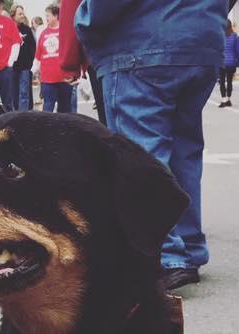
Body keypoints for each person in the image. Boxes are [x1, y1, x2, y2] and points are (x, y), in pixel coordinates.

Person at [75, 0, 226, 291]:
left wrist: (85, 22)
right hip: (201, 38)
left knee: (139, 153)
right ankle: (188, 245)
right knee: (185, 151)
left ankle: (164, 254)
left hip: (141, 41)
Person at [36, 4, 72, 113]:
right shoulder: (43, 34)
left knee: (65, 108)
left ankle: (65, 129)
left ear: (56, 16)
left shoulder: (65, 32)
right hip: (47, 79)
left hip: (64, 78)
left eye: (48, 16)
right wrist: (36, 71)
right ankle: (47, 130)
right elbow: (38, 56)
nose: (46, 18)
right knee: (48, 108)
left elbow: (71, 51)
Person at [12, 6, 36, 110]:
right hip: (12, 67)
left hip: (25, 67)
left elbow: (33, 46)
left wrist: (30, 62)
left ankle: (23, 116)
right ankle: (15, 115)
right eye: (19, 14)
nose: (22, 16)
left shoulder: (27, 29)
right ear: (13, 15)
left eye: (22, 13)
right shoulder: (9, 28)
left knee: (24, 93)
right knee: (14, 93)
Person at [219, 19, 239, 107]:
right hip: (231, 63)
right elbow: (238, 51)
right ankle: (229, 99)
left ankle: (223, 99)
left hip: (221, 62)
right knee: (229, 81)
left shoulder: (219, 36)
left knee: (222, 81)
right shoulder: (234, 36)